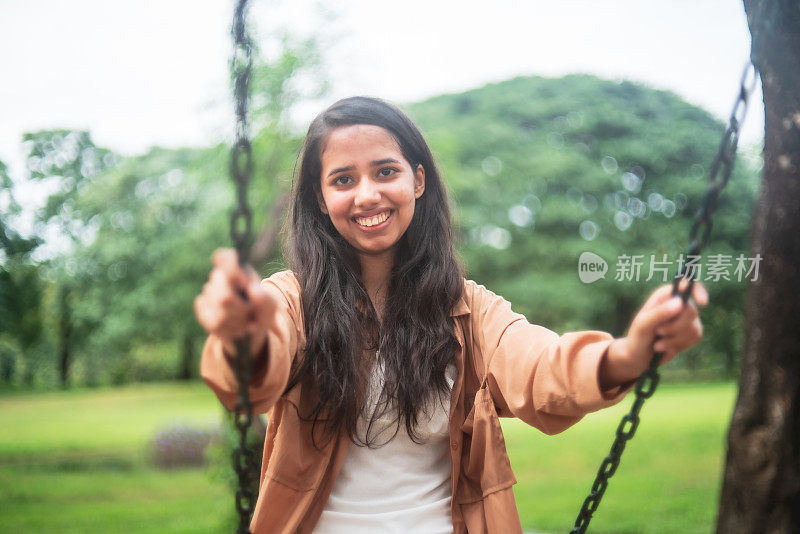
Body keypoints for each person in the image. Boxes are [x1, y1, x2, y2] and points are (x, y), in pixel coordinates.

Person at [194, 96, 707, 534]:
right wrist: (245, 338)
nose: (367, 194)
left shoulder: (467, 308)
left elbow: (538, 364)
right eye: (343, 179)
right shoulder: (289, 299)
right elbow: (258, 365)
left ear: (417, 180)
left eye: (386, 171)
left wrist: (626, 354)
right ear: (320, 198)